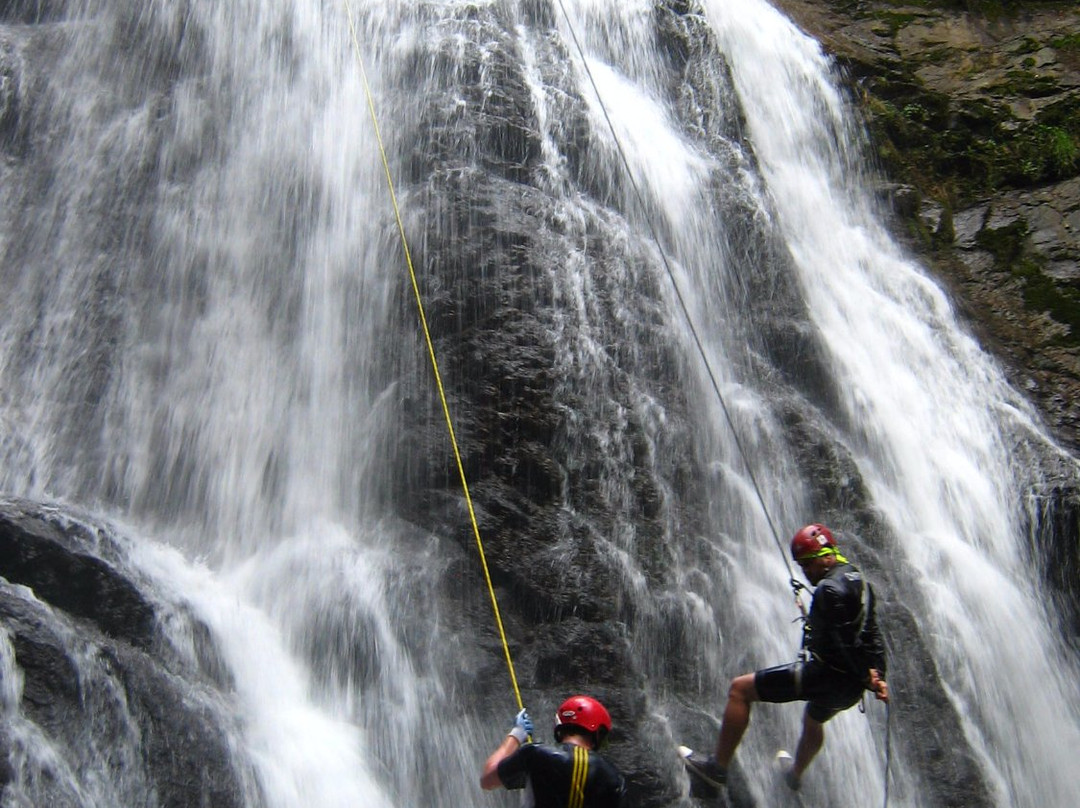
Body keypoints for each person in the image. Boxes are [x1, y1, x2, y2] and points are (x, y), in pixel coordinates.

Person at [683, 523, 888, 792]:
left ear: (826, 556)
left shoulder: (828, 590)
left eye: (808, 564)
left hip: (828, 677)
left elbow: (844, 645)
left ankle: (716, 770)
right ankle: (794, 774)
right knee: (814, 718)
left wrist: (866, 675)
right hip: (850, 690)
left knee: (740, 690)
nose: (805, 572)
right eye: (802, 566)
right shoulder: (860, 580)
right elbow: (871, 634)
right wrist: (877, 675)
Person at [480, 694, 626, 807]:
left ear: (559, 729)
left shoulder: (536, 755)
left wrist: (517, 734)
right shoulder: (614, 778)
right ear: (598, 733)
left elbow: (487, 779)